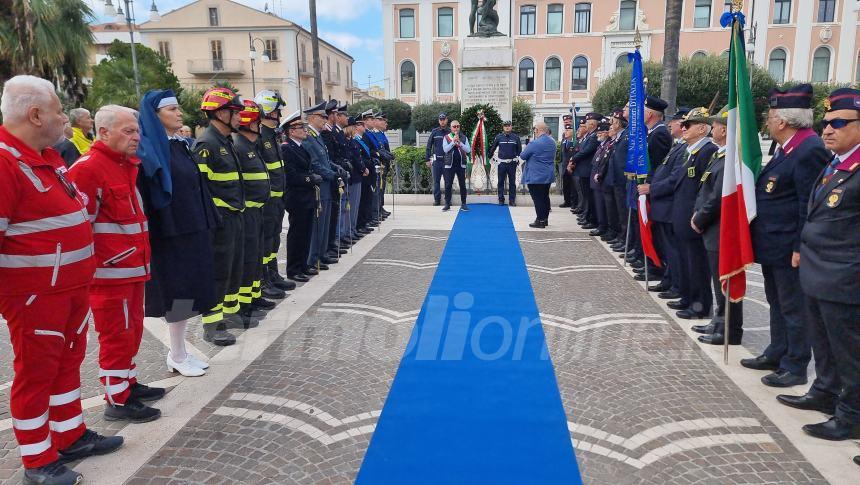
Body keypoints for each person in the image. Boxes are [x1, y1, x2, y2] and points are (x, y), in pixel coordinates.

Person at [0, 75, 124, 485]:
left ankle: (70, 435)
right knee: (36, 373)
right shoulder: (4, 163)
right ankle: (37, 461)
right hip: (35, 295)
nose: (65, 120)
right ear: (35, 115)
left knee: (67, 363)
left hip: (69, 288)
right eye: (57, 111)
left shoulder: (46, 158)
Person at [68, 105, 164, 424]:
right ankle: (118, 399)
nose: (136, 137)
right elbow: (80, 228)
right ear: (104, 132)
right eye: (128, 131)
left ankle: (128, 383)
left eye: (136, 130)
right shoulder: (88, 168)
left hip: (131, 269)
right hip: (108, 275)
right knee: (116, 334)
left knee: (131, 330)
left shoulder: (124, 165)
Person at [777, 88, 860, 445]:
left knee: (850, 354)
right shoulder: (835, 162)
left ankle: (851, 417)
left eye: (839, 123)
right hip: (818, 271)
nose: (827, 129)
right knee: (823, 343)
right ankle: (824, 390)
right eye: (826, 123)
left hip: (845, 276)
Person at [742, 85, 830, 386]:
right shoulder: (787, 147)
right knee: (777, 301)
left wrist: (798, 247)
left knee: (794, 307)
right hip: (773, 243)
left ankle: (795, 364)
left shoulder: (809, 149)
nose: (766, 122)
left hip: (788, 245)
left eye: (769, 116)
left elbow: (809, 204)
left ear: (782, 121)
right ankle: (777, 350)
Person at [138, 89, 218, 378]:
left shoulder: (179, 144)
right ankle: (177, 354)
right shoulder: (147, 149)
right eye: (171, 109)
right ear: (155, 115)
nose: (179, 112)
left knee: (190, 294)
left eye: (177, 108)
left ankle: (179, 352)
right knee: (176, 296)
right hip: (170, 234)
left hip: (191, 228)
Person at [193, 87, 246, 346]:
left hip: (233, 215)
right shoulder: (206, 144)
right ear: (220, 113)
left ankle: (228, 317)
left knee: (233, 270)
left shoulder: (226, 142)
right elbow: (200, 189)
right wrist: (217, 218)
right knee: (218, 273)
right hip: (219, 219)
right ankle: (212, 326)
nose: (239, 118)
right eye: (235, 112)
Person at [689, 106, 743, 345]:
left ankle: (729, 329)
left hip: (719, 227)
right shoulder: (720, 155)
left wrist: (700, 218)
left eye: (719, 125)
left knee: (726, 280)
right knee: (718, 280)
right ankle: (719, 322)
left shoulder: (731, 157)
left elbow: (719, 196)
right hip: (712, 228)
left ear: (726, 130)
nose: (714, 128)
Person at [232, 100, 279, 326]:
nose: (261, 126)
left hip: (258, 210)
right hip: (246, 212)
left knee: (256, 256)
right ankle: (243, 306)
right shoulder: (238, 146)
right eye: (258, 122)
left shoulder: (250, 145)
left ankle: (253, 297)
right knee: (247, 259)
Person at [668, 107, 717, 320]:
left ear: (702, 128)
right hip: (681, 216)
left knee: (697, 266)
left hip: (693, 218)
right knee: (687, 263)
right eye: (683, 124)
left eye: (688, 125)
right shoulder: (690, 151)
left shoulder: (706, 152)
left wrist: (698, 215)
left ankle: (699, 305)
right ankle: (688, 298)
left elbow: (705, 190)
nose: (683, 128)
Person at [644, 107, 690, 298]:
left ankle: (677, 286)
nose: (670, 124)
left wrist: (651, 188)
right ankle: (670, 280)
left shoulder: (685, 149)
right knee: (669, 249)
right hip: (663, 205)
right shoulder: (678, 146)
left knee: (674, 250)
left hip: (670, 205)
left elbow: (675, 178)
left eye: (676, 122)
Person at [254, 90, 296, 294]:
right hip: (267, 200)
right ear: (268, 111)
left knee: (274, 238)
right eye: (277, 111)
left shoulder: (272, 136)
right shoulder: (260, 136)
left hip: (278, 199)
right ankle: (264, 280)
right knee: (265, 240)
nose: (279, 116)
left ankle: (273, 274)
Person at [281, 111, 321, 283]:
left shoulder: (300, 146)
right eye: (300, 127)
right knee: (297, 234)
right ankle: (293, 269)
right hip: (297, 197)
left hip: (307, 196)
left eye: (304, 127)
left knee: (306, 233)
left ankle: (303, 265)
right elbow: (290, 175)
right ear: (291, 131)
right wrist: (310, 179)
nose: (305, 130)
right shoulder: (286, 148)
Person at [304, 101, 339, 271]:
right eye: (322, 116)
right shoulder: (309, 137)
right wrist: (331, 174)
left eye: (325, 116)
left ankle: (322, 254)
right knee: (317, 225)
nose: (325, 119)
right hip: (319, 186)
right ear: (311, 117)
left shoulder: (318, 136)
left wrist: (336, 168)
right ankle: (313, 258)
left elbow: (325, 160)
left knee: (324, 223)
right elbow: (315, 164)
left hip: (326, 187)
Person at [521, 121, 557, 228]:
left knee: (538, 199)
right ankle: (544, 219)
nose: (534, 132)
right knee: (545, 198)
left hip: (536, 176)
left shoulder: (535, 143)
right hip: (547, 174)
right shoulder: (552, 142)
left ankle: (540, 220)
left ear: (538, 130)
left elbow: (523, 155)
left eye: (535, 130)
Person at [572, 113, 601, 228]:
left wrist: (573, 158)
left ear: (593, 124)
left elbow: (586, 151)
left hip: (587, 169)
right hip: (583, 169)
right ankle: (587, 216)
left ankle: (590, 218)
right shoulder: (590, 135)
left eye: (588, 123)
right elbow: (580, 149)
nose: (585, 125)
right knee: (585, 195)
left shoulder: (594, 136)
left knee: (589, 196)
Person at [589, 118, 614, 238]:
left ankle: (604, 226)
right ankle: (601, 225)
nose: (598, 135)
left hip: (601, 180)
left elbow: (604, 163)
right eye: (598, 133)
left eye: (601, 133)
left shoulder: (608, 145)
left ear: (606, 133)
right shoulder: (601, 145)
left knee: (604, 206)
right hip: (597, 180)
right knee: (599, 205)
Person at [489, 120, 522, 206]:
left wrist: (517, 158)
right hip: (502, 164)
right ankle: (501, 199)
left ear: (511, 127)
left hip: (512, 163)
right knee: (500, 182)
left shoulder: (516, 137)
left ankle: (512, 200)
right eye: (505, 126)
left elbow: (519, 149)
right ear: (503, 127)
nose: (507, 127)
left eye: (508, 125)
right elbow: (493, 147)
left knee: (512, 182)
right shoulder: (499, 137)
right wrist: (489, 156)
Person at [442, 119, 472, 211]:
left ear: (459, 127)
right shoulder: (446, 137)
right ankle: (447, 204)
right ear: (450, 128)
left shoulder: (464, 137)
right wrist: (453, 142)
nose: (456, 128)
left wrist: (460, 143)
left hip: (460, 164)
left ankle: (463, 203)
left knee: (462, 185)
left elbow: (468, 150)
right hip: (449, 165)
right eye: (454, 126)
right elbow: (445, 150)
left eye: (457, 126)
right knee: (448, 185)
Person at [426, 113, 450, 206]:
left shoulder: (450, 132)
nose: (442, 121)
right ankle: (437, 200)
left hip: (447, 160)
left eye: (444, 119)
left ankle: (448, 200)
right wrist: (427, 159)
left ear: (447, 120)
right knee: (436, 181)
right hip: (437, 161)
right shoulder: (434, 132)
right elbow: (429, 146)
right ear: (439, 121)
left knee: (448, 181)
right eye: (441, 119)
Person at [559, 116, 577, 208]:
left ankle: (573, 202)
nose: (567, 123)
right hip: (564, 165)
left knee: (573, 185)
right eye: (565, 122)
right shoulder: (564, 138)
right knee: (565, 185)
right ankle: (567, 201)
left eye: (568, 121)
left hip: (572, 166)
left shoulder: (575, 140)